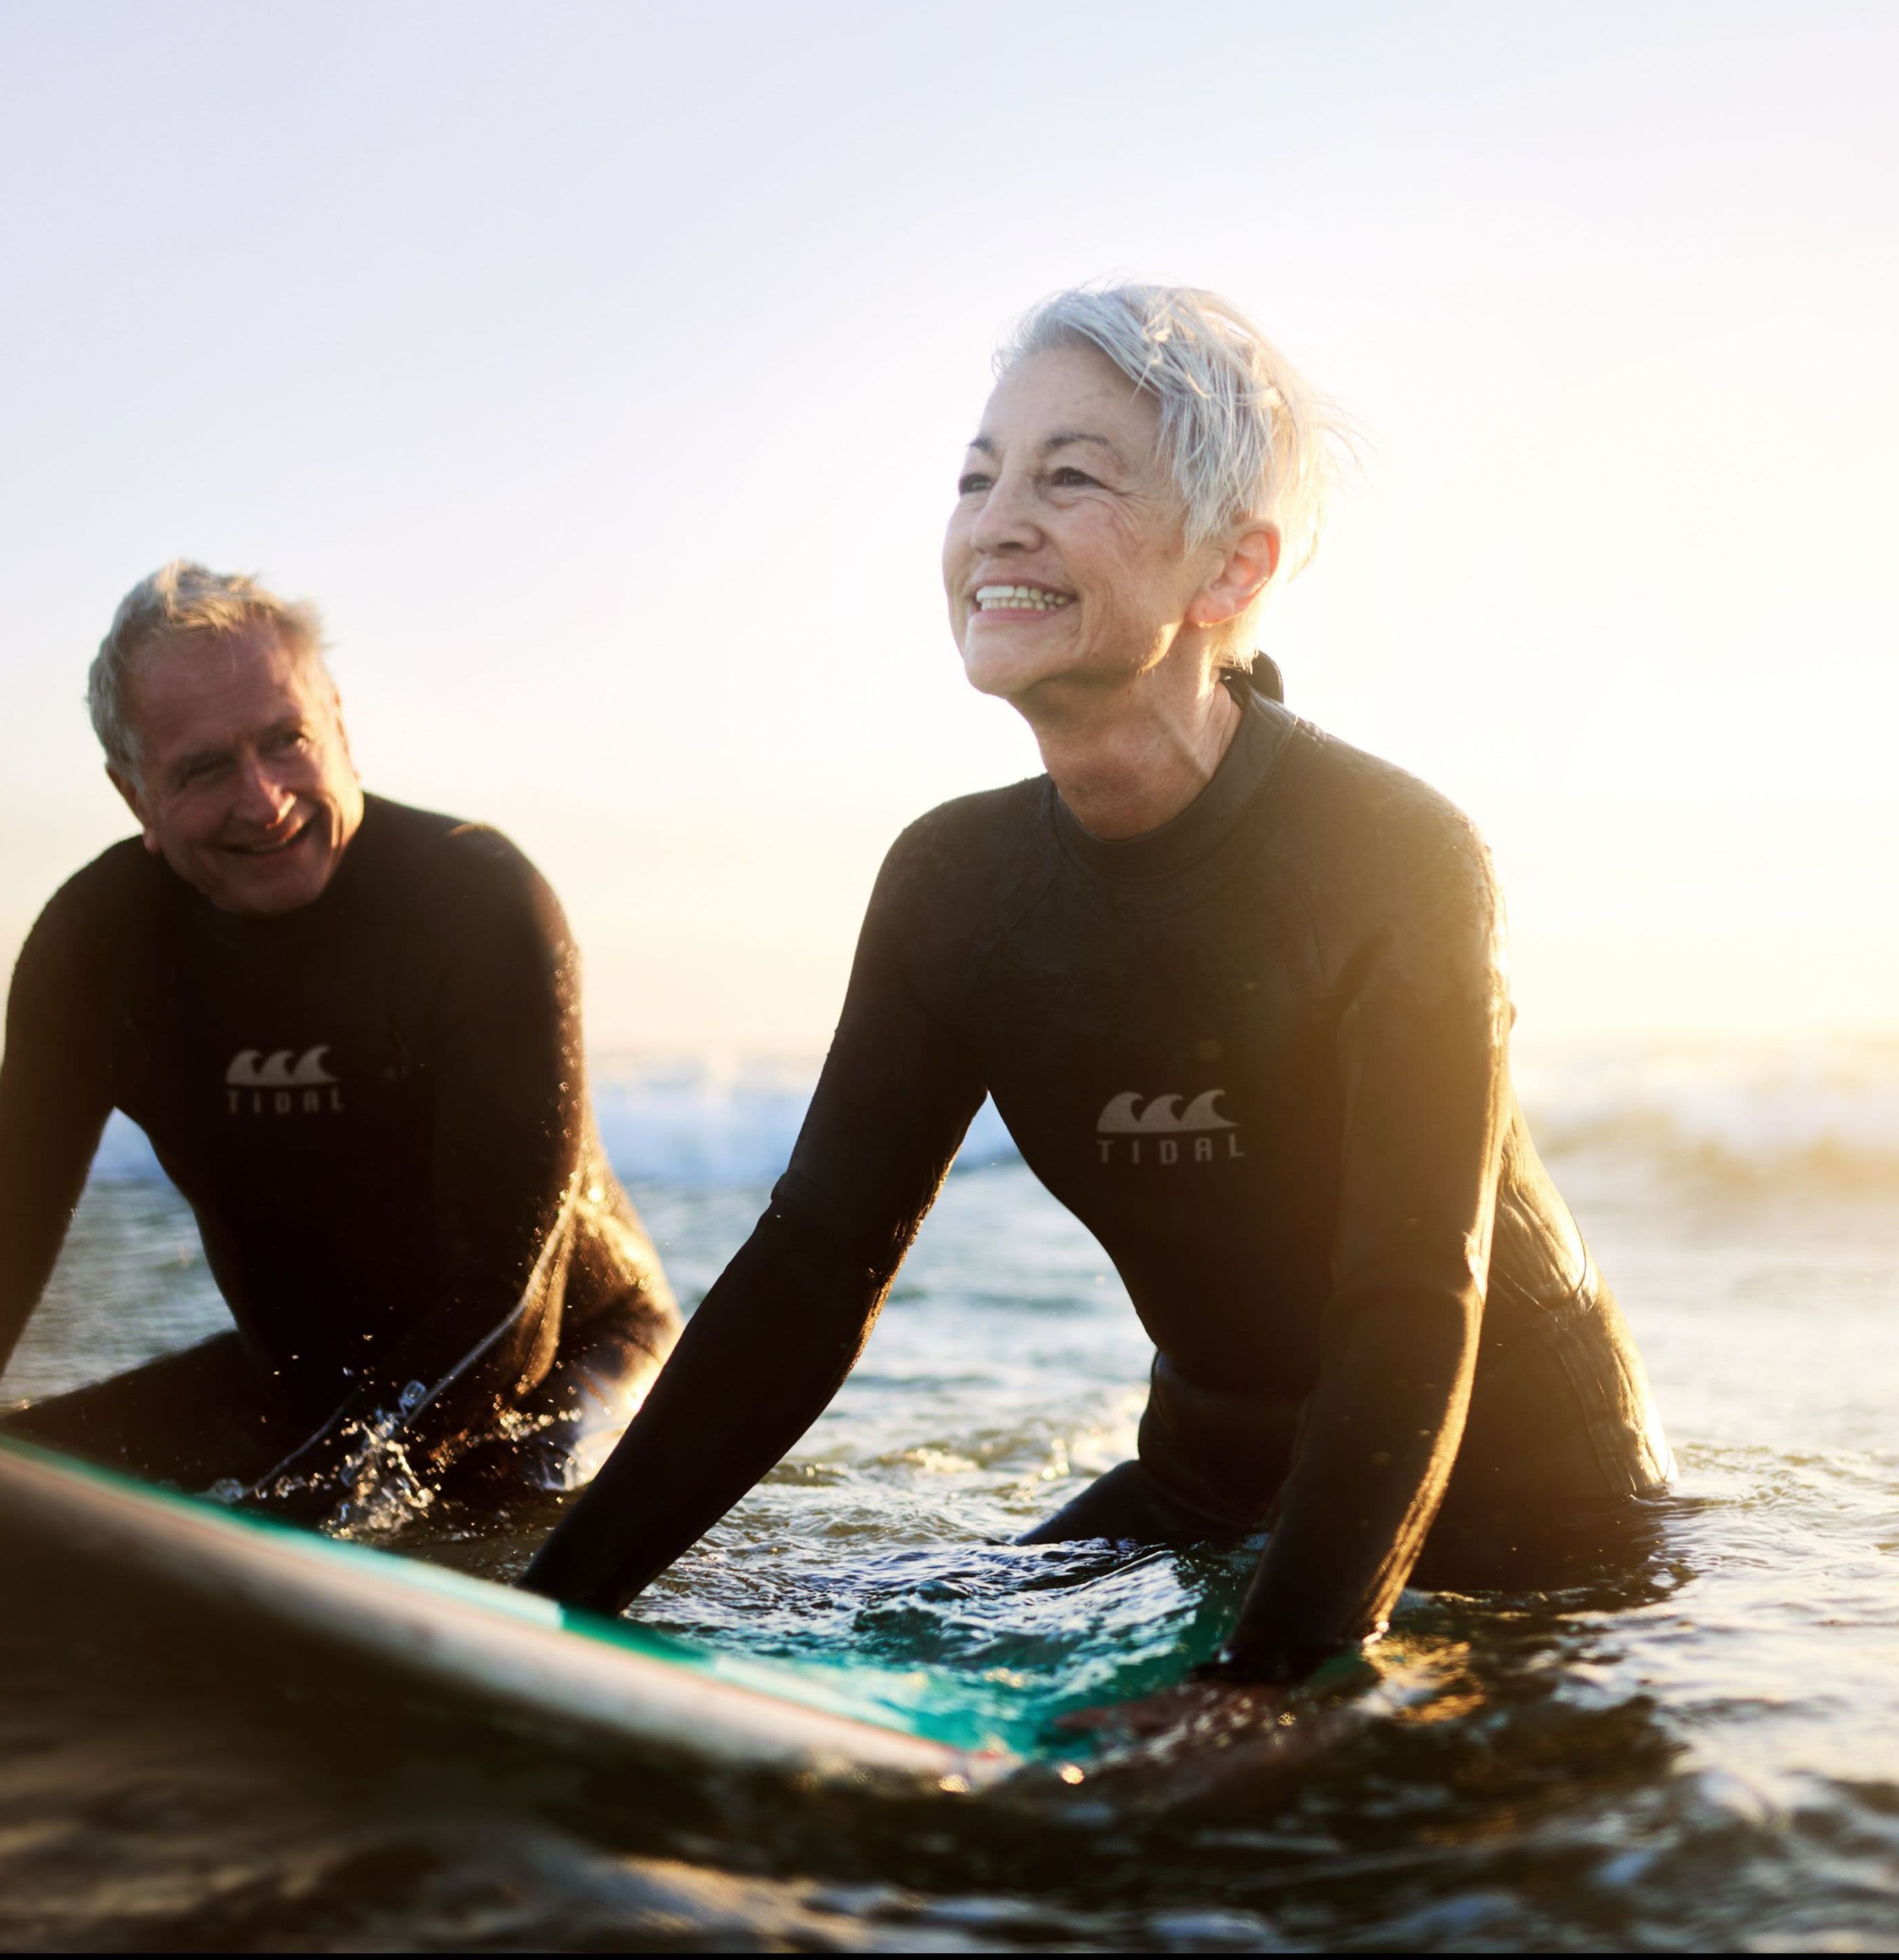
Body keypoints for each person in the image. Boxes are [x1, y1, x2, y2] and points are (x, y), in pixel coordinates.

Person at [521, 286, 1671, 1698]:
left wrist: (1268, 1691)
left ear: (1231, 574)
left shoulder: (1390, 858)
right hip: (1203, 1499)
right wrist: (554, 1608)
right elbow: (810, 1278)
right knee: (834, 1621)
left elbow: (1407, 1303)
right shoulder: (956, 887)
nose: (998, 519)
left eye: (1070, 476)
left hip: (1529, 1520)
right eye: (977, 476)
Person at [0, 563, 677, 1521]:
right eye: (205, 769)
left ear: (340, 724)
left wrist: (306, 1506)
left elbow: (508, 1306)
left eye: (286, 742)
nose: (263, 800)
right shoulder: (98, 950)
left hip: (570, 1360)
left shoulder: (478, 907)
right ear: (135, 797)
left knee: (489, 1498)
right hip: (298, 1387)